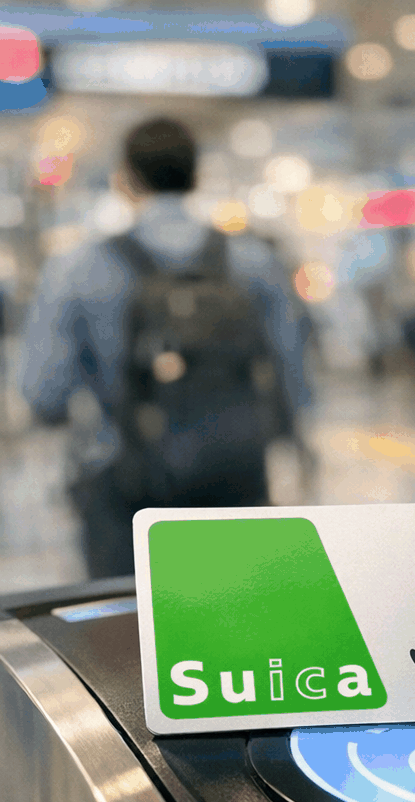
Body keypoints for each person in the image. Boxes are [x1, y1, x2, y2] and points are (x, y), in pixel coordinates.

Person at [22, 117, 311, 578]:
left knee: (126, 636)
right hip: (236, 474)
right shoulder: (253, 260)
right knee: (235, 627)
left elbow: (43, 393)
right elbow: (294, 377)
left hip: (124, 486)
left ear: (126, 179)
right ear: (197, 176)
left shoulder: (78, 267)